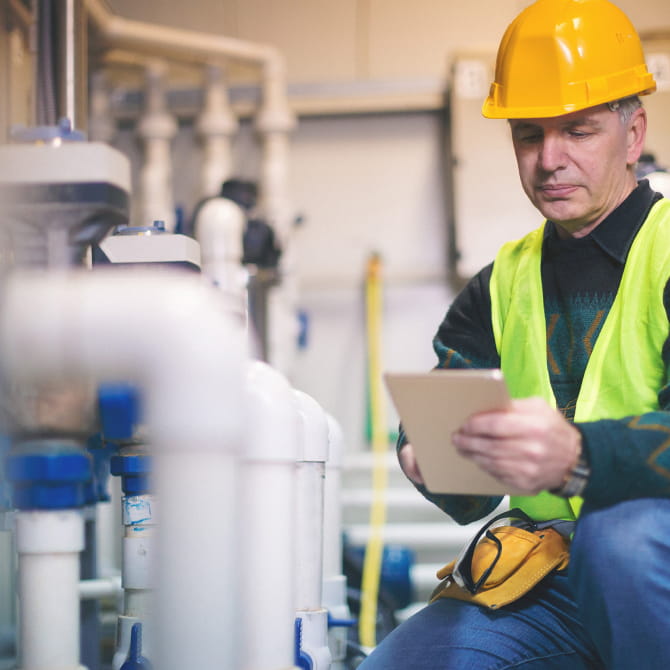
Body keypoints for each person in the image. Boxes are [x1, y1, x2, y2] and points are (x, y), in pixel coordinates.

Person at [359, 0, 670, 668]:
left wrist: (579, 456)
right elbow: (465, 485)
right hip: (546, 574)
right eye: (529, 135)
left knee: (621, 537)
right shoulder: (500, 284)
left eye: (578, 131)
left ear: (633, 132)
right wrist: (429, 461)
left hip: (653, 558)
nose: (549, 160)